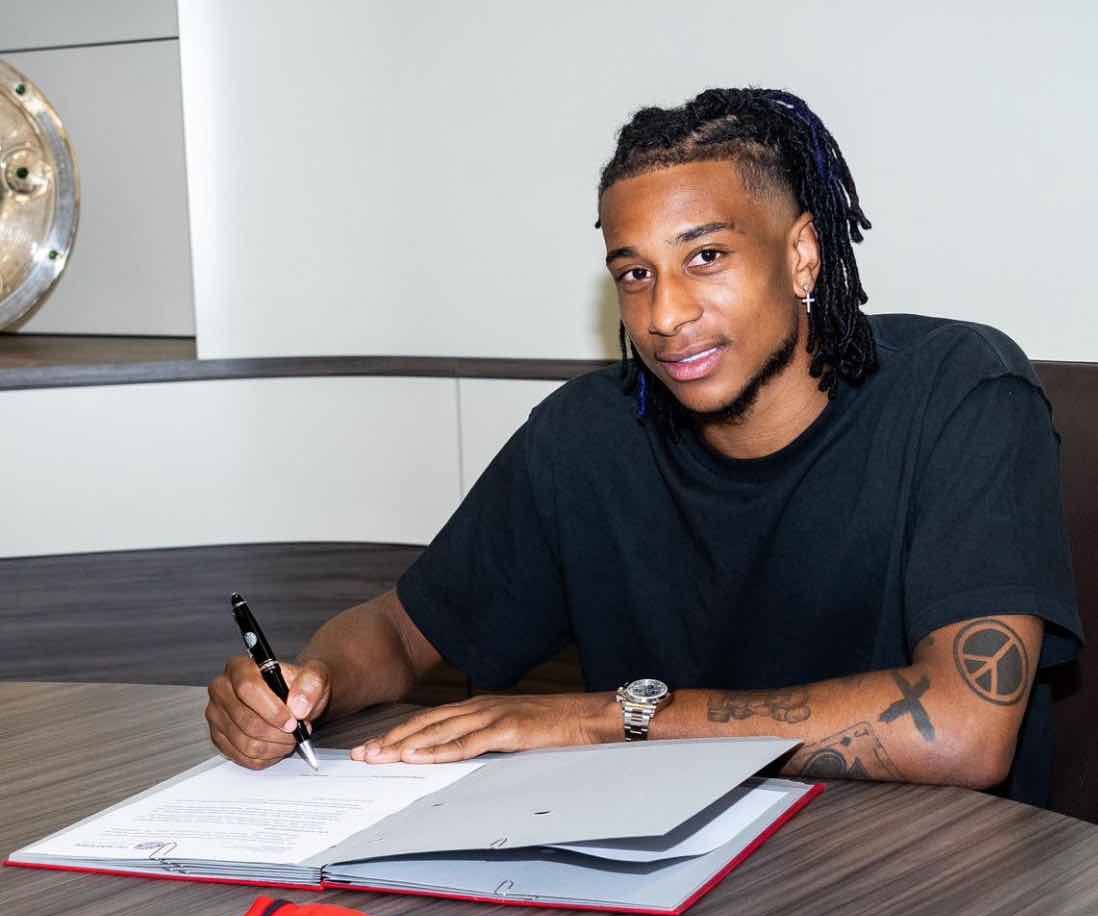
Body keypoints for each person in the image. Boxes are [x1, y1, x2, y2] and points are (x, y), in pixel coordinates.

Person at [206, 87, 1081, 804]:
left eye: (706, 257)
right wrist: (307, 685)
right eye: (635, 273)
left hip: (928, 882)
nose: (664, 314)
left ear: (803, 255)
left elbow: (966, 730)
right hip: (660, 873)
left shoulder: (959, 392)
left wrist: (608, 719)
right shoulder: (587, 436)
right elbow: (402, 631)